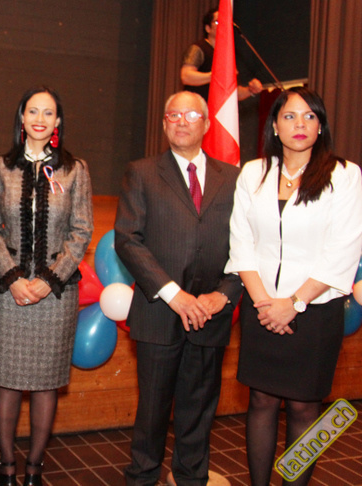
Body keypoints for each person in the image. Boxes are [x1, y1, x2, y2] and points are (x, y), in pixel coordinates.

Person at [224, 87, 362, 486]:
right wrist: (266, 304)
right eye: (289, 116)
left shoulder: (344, 175)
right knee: (261, 401)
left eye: (309, 116)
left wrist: (294, 303)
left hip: (315, 312)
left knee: (305, 409)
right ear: (274, 126)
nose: (299, 124)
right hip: (262, 308)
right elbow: (241, 243)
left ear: (320, 126)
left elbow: (343, 250)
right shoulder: (253, 173)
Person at [115, 91, 242, 485]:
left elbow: (247, 246)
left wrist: (223, 294)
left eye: (191, 115)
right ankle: (142, 477)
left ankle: (191, 478)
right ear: (164, 123)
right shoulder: (142, 172)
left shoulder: (234, 178)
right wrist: (174, 294)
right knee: (152, 412)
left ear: (207, 124)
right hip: (159, 313)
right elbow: (128, 240)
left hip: (210, 313)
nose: (182, 121)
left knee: (198, 412)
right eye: (174, 115)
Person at [0, 86, 92, 486]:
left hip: (55, 294)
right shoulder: (2, 166)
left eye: (48, 113)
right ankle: (7, 467)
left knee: (47, 382)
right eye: (33, 111)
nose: (40, 119)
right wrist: (13, 278)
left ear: (58, 121)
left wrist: (48, 280)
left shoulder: (74, 169)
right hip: (7, 292)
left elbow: (81, 231)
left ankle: (34, 469)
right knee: (8, 381)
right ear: (22, 117)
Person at [181, 8, 263, 102]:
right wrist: (216, 75)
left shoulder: (228, 54)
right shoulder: (198, 48)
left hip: (219, 109)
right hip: (198, 106)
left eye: (225, 21)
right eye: (217, 22)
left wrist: (250, 90)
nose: (222, 25)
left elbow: (233, 92)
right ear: (208, 28)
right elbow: (186, 77)